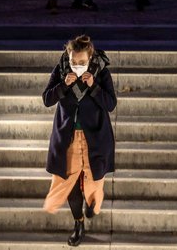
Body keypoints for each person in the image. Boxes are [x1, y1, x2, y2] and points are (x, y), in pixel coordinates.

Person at [42, 35, 116, 247]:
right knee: (70, 185)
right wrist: (62, 87)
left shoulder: (101, 72)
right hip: (68, 138)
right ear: (69, 56)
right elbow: (47, 99)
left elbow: (111, 103)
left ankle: (91, 207)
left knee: (94, 187)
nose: (77, 66)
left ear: (90, 57)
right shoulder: (61, 69)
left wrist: (94, 87)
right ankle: (78, 224)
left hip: (96, 138)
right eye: (74, 62)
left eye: (82, 63)